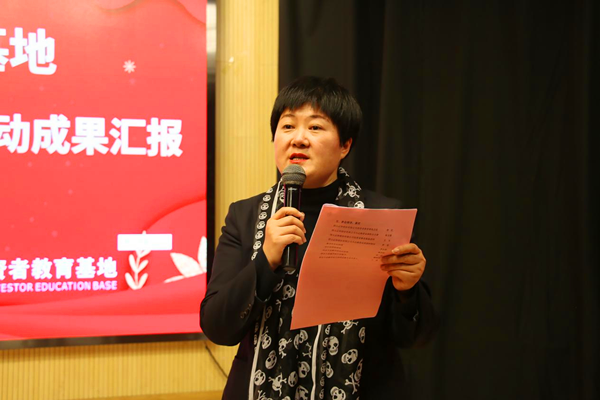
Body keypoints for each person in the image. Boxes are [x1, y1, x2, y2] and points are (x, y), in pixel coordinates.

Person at [200, 76, 437, 400]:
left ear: (345, 145)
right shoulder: (245, 216)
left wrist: (408, 291)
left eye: (315, 127)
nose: (298, 139)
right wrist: (265, 260)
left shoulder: (383, 217)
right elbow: (217, 327)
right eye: (287, 126)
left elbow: (415, 338)